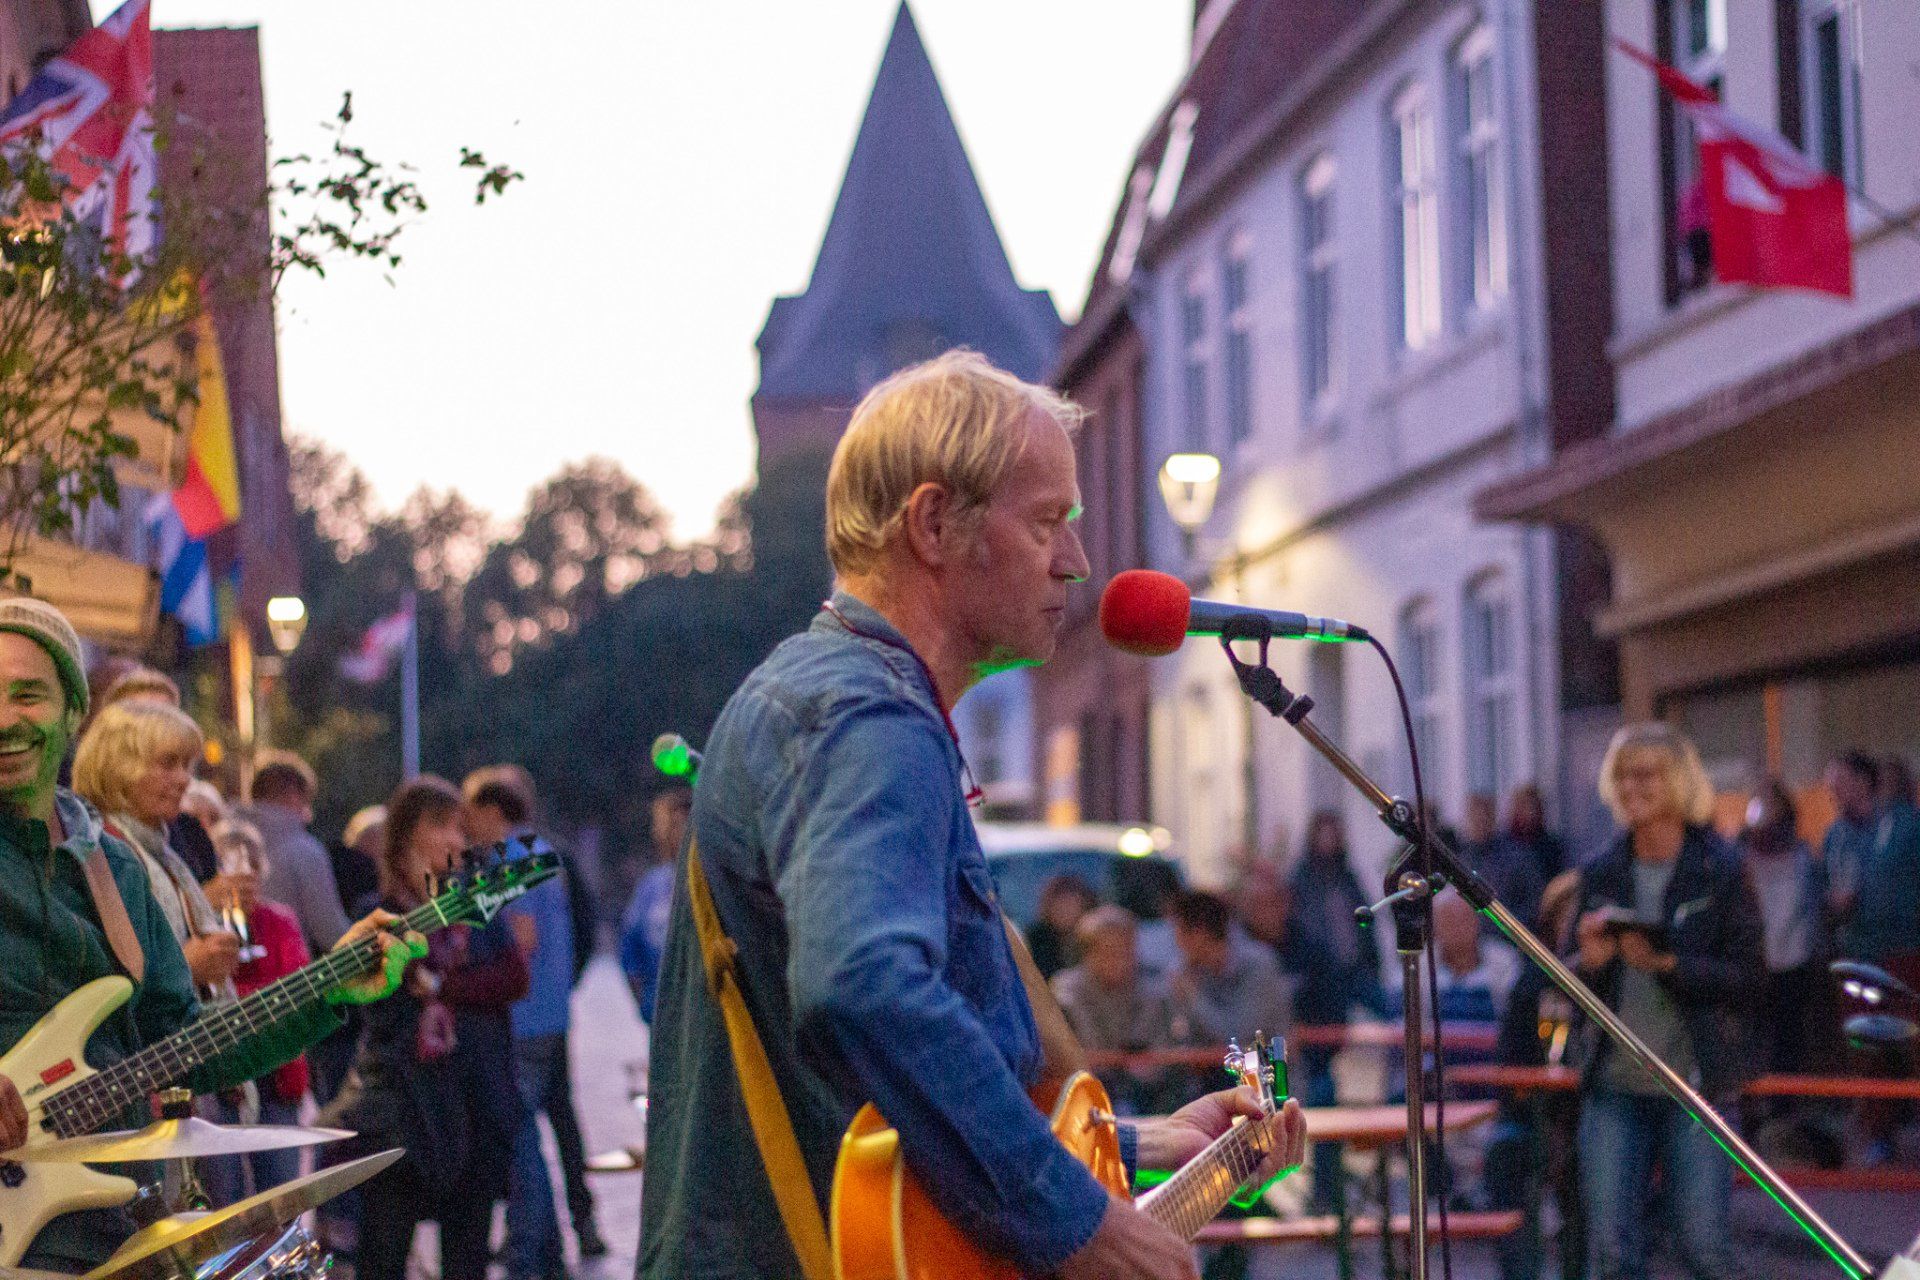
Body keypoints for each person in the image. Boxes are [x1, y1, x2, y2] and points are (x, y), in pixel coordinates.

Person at [640, 352, 1305, 1280]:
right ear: (935, 523)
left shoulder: (838, 699)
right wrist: (1083, 1224)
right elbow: (865, 984)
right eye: (1047, 523)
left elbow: (887, 1089)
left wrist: (1136, 1143)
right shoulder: (864, 717)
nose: (1076, 562)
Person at [0, 597, 419, 1272]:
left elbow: (186, 1043)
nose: (4, 718)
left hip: (102, 1230)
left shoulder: (113, 870)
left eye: (28, 695)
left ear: (73, 713)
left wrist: (327, 986)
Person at [1569, 722, 1763, 1280]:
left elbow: (1753, 979)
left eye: (1646, 773)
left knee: (1706, 1251)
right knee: (1609, 1255)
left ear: (1678, 781)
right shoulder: (1602, 869)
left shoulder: (1721, 868)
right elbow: (1559, 981)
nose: (1632, 786)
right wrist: (1589, 961)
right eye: (1623, 774)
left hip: (1696, 1085)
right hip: (1613, 1087)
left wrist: (1670, 967)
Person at [321, 776, 530, 1280]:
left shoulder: (475, 904)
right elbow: (386, 1000)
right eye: (447, 829)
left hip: (473, 1103)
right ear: (411, 834)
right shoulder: (378, 914)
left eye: (462, 829)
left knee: (467, 1259)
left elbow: (513, 975)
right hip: (405, 1108)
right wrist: (433, 979)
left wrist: (438, 984)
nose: (461, 842)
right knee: (385, 1256)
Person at [73, 699, 262, 1205]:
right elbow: (108, 982)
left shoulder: (163, 852)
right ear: (118, 766)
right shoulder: (102, 854)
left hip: (195, 1087)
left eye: (187, 765)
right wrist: (192, 964)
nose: (184, 779)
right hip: (153, 1098)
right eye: (167, 764)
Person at [463, 764, 606, 1274]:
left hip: (522, 1021)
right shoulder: (547, 854)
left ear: (492, 811)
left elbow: (522, 937)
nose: (465, 823)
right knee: (541, 1134)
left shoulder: (512, 859)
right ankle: (547, 1251)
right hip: (550, 1015)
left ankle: (530, 1253)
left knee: (521, 1143)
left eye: (470, 812)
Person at [1282, 809, 1382, 1211]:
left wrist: (1368, 961)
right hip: (1321, 989)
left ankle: (1332, 1194)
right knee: (1322, 1093)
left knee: (1391, 1012)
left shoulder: (1348, 877)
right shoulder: (1301, 881)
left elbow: (1366, 925)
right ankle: (1324, 1196)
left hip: (1351, 975)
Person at [211, 817, 315, 1192]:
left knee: (282, 1193)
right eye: (233, 866)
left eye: (253, 866)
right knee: (229, 1196)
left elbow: (296, 988)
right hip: (224, 1077)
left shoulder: (278, 921)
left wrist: (238, 993)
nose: (246, 877)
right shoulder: (202, 925)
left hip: (277, 1076)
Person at [1051, 906, 1188, 1114]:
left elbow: (1162, 1047)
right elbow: (1087, 1048)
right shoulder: (1067, 990)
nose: (1120, 961)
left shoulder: (1153, 986)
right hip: (1090, 1092)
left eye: (1126, 951)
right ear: (1088, 954)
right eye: (1109, 952)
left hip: (1149, 1089)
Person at [1740, 780, 1830, 1080]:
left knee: (1790, 1040)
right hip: (1756, 966)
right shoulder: (1740, 862)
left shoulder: (1803, 859)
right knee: (1755, 1039)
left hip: (1795, 965)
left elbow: (1812, 911)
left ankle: (1787, 1106)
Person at [238, 750, 351, 956]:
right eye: (306, 802)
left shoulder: (225, 841)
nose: (308, 815)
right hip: (291, 976)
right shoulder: (305, 850)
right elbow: (331, 933)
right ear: (293, 796)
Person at [1168, 890, 1293, 1045]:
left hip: (1269, 1067)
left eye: (1179, 933)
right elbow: (1184, 1036)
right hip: (1217, 1068)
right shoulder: (1193, 971)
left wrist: (1193, 996)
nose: (1177, 944)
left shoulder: (1259, 966)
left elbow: (1239, 1035)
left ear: (1200, 934)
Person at [618, 783, 691, 1022]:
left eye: (685, 825)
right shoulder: (653, 885)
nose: (679, 833)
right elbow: (630, 946)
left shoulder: (716, 880)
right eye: (672, 826)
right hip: (659, 1012)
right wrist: (645, 1005)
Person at [1458, 791, 1544, 932]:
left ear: (1492, 818)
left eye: (1484, 816)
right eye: (1474, 817)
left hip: (1507, 939)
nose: (1479, 822)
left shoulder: (1517, 857)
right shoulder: (1462, 860)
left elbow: (1533, 903)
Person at [1026, 873, 1097, 979]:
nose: (1065, 912)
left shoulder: (1095, 938)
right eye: (1059, 906)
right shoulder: (1035, 940)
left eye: (1071, 905)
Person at [1505, 782, 1567, 881]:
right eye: (1524, 806)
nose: (1530, 813)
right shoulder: (1503, 846)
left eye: (1533, 807)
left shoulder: (1551, 847)